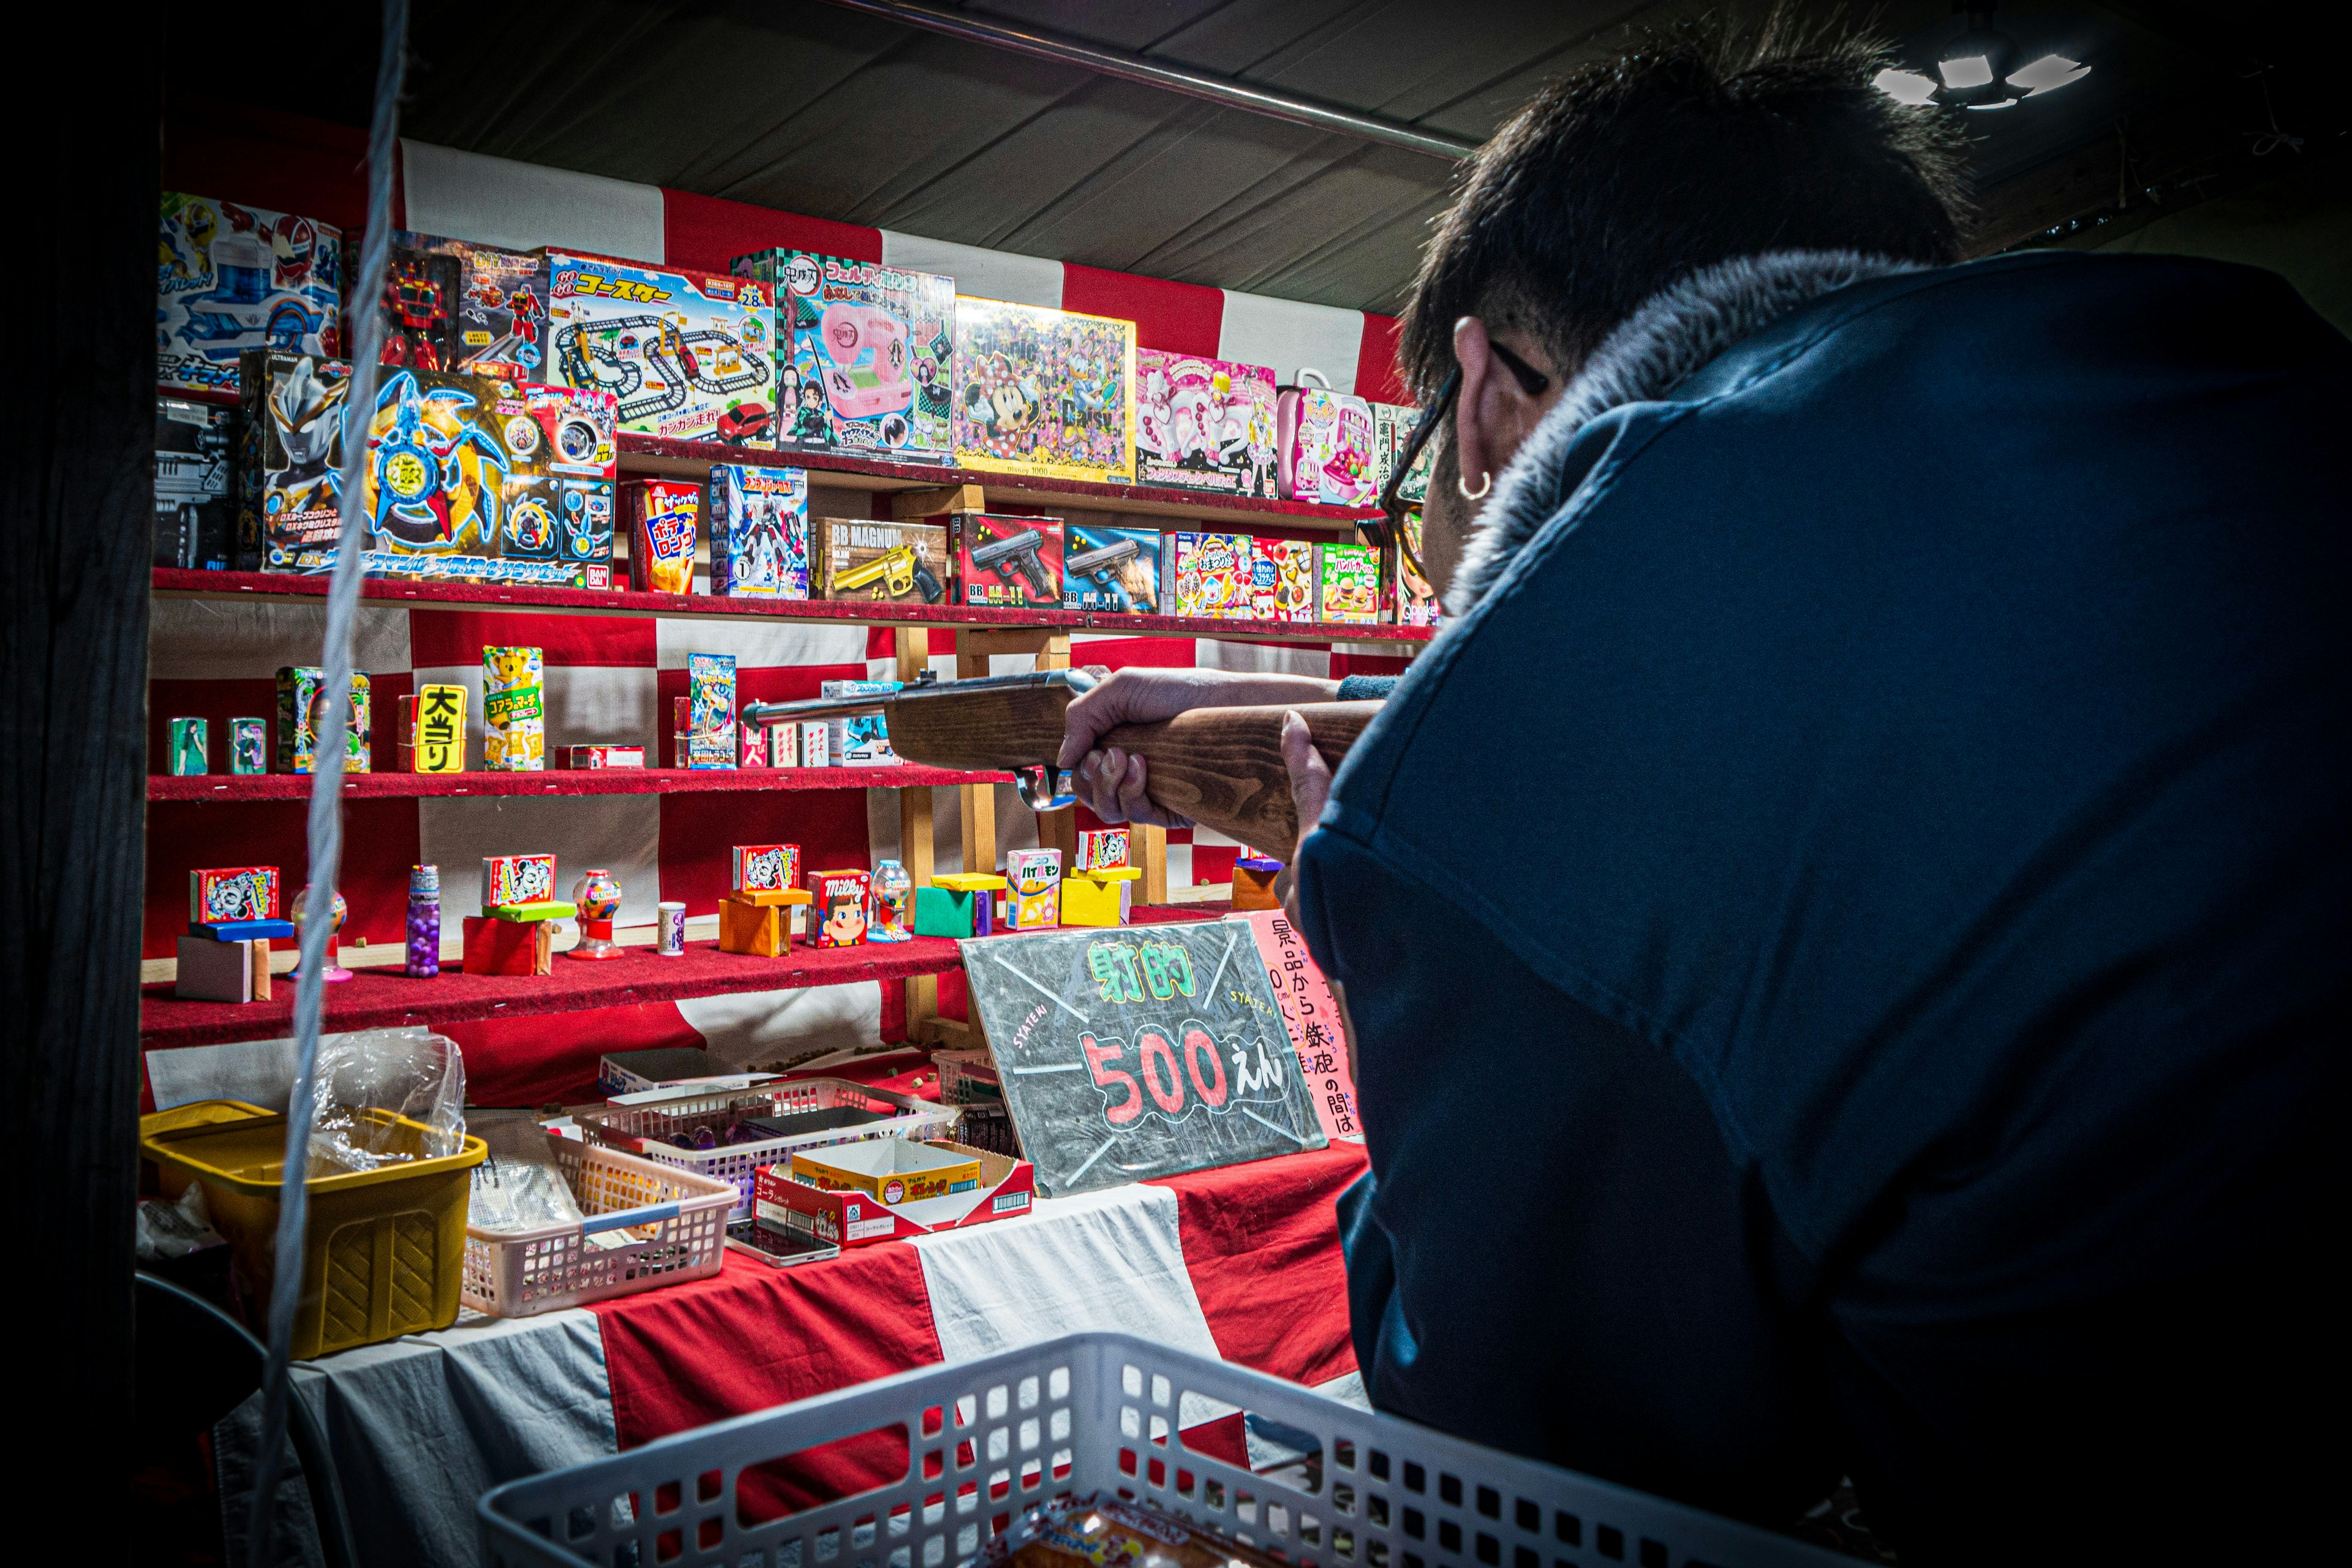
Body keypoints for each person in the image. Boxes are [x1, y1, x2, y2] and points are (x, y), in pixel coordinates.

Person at [1058, 17, 2351, 1564]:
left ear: (1480, 398)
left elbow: (1511, 1452)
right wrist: (1392, 730)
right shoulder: (2215, 358)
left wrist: (1387, 884)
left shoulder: (1558, 694)